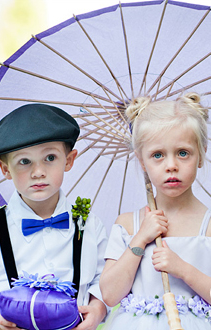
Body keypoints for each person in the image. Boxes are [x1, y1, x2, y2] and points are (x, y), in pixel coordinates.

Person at [0, 103, 108, 330]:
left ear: (69, 160)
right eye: (24, 161)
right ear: (5, 169)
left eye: (50, 158)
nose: (38, 171)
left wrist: (97, 309)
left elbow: (104, 278)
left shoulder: (89, 226)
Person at [99, 93, 211, 329]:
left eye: (183, 152)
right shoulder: (129, 224)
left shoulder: (208, 224)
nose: (171, 165)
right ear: (142, 161)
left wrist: (183, 269)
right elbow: (110, 294)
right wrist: (141, 238)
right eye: (157, 155)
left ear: (201, 154)